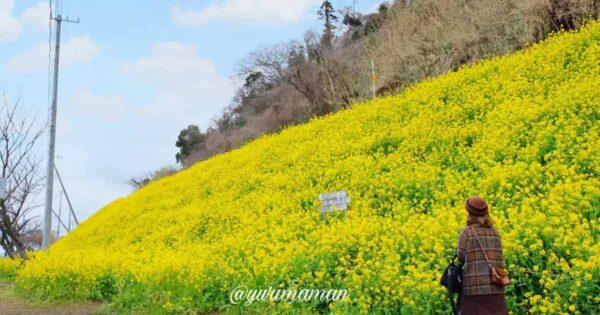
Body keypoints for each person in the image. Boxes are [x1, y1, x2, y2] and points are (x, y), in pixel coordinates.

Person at [457, 196, 508, 315]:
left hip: (474, 288)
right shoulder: (495, 232)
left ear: (469, 213)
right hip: (496, 286)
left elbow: (461, 256)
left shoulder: (467, 232)